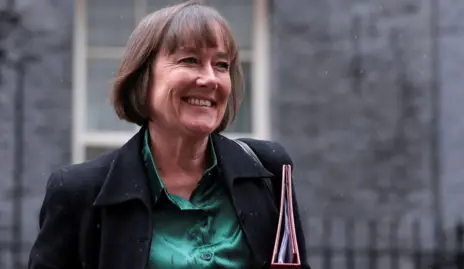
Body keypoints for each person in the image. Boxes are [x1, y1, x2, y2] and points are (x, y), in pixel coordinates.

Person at [28, 1, 310, 269]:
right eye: (190, 60)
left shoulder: (269, 171)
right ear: (143, 78)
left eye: (221, 65)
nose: (210, 79)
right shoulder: (77, 192)